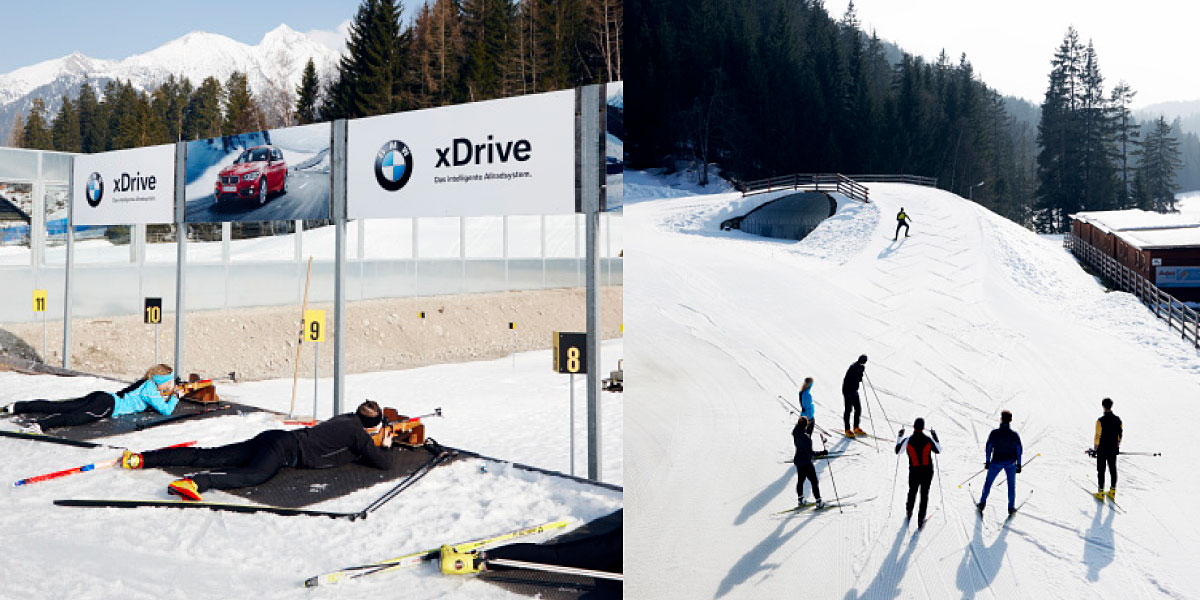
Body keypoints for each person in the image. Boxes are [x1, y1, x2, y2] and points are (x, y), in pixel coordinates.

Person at [121, 400, 395, 502]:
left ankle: (142, 458)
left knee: (208, 453)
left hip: (274, 438)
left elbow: (358, 426)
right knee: (254, 476)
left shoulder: (346, 420)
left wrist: (374, 430)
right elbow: (383, 463)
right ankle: (196, 482)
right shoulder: (358, 434)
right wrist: (386, 445)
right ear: (371, 426)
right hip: (284, 451)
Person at [1, 364, 179, 432]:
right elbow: (166, 410)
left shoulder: (145, 383)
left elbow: (151, 399)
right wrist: (176, 396)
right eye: (169, 382)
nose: (170, 385)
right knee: (76, 418)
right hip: (108, 406)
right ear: (162, 381)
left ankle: (17, 406)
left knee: (60, 406)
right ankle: (41, 425)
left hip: (103, 397)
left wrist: (168, 393)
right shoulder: (150, 389)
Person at [895, 418, 941, 527]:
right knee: (924, 494)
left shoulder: (908, 440)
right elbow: (939, 450)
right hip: (927, 471)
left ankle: (909, 511)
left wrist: (899, 436)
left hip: (914, 471)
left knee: (912, 491)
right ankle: (921, 518)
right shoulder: (928, 440)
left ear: (913, 427)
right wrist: (935, 437)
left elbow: (898, 451)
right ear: (924, 428)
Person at [977, 410, 1023, 515]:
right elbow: (1019, 450)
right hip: (1011, 463)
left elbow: (988, 448)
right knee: (1011, 485)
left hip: (996, 462)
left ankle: (982, 503)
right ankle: (1011, 507)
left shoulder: (994, 433)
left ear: (1001, 419)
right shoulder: (1014, 435)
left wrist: (987, 462)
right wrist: (1019, 464)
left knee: (988, 483)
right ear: (1011, 420)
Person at [1089, 398, 1123, 499]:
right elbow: (1120, 434)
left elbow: (1097, 436)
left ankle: (1101, 493)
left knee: (1101, 470)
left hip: (1102, 449)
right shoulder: (1118, 420)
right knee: (1113, 469)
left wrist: (1095, 449)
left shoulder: (1100, 421)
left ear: (1103, 406)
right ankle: (1112, 491)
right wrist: (1117, 445)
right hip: (1113, 448)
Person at [792, 416, 827, 508]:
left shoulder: (796, 432)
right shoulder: (806, 439)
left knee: (800, 480)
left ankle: (800, 499)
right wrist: (823, 453)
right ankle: (819, 501)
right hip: (806, 463)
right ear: (805, 426)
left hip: (798, 460)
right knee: (814, 481)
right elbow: (811, 453)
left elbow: (798, 426)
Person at [841, 355, 868, 437]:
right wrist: (848, 393)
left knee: (858, 409)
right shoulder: (853, 367)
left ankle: (856, 427)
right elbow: (848, 380)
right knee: (848, 410)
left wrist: (861, 372)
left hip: (854, 391)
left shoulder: (861, 367)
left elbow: (859, 379)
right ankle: (847, 429)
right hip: (848, 391)